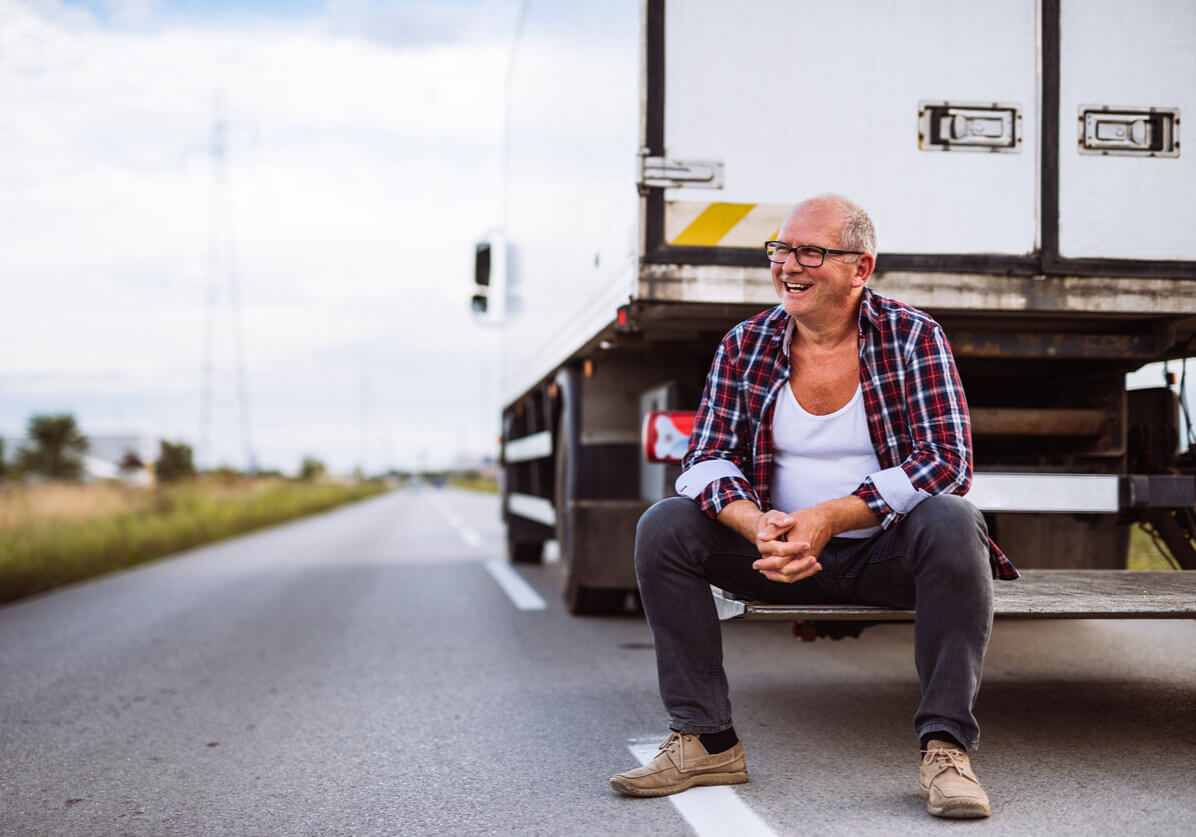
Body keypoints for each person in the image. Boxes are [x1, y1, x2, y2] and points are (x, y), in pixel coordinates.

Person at [610, 194, 1018, 819]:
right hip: (776, 555)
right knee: (664, 526)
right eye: (782, 249)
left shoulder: (913, 337)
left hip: (884, 556)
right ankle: (706, 741)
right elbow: (705, 460)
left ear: (861, 268)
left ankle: (946, 748)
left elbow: (947, 460)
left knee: (954, 519)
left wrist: (830, 517)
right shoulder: (746, 343)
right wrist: (758, 525)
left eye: (810, 252)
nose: (789, 266)